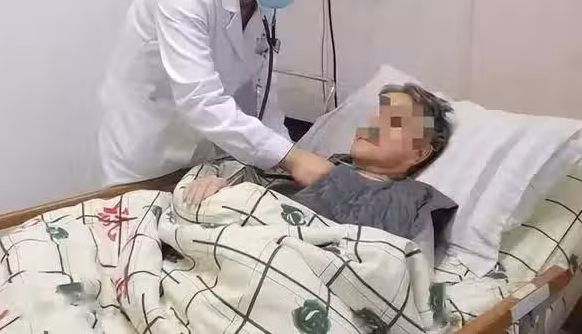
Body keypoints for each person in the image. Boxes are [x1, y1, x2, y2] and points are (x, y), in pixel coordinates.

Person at [98, 0, 334, 186]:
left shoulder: (261, 0)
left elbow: (264, 97)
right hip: (147, 153)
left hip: (204, 159)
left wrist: (286, 158)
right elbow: (200, 100)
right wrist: (291, 157)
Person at [183, 83, 457, 261]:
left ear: (420, 153)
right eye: (376, 116)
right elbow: (256, 182)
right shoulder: (327, 163)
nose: (373, 125)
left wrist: (329, 179)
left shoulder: (415, 198)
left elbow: (382, 254)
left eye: (394, 121)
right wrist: (222, 185)